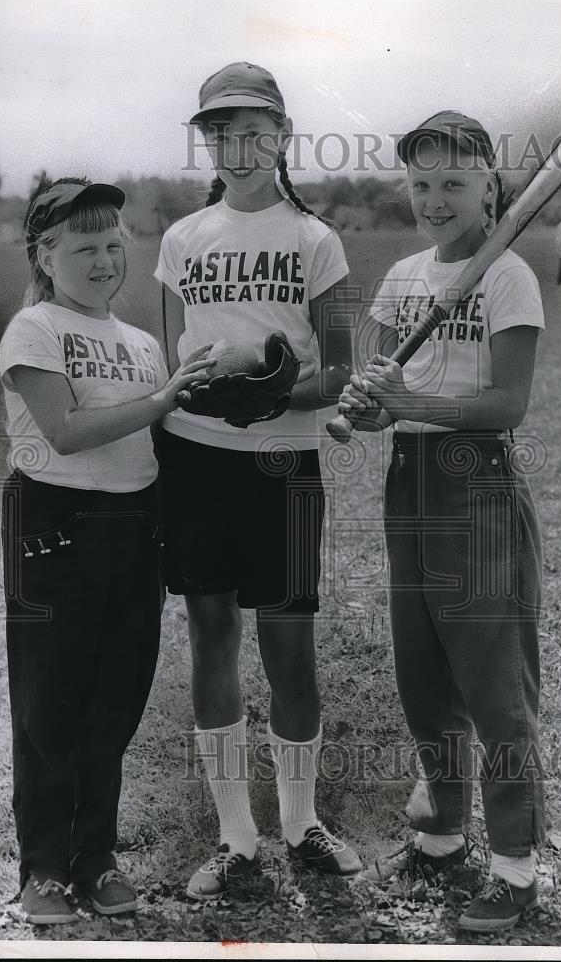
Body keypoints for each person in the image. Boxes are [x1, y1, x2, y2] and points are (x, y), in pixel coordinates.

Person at [154, 61, 362, 900]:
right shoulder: (179, 239)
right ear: (205, 141)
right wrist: (205, 390)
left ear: (280, 136)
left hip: (282, 461)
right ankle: (237, 839)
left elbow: (339, 371)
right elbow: (175, 359)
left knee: (289, 644)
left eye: (252, 130)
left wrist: (269, 388)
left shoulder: (316, 240)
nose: (235, 146)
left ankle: (301, 822)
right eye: (218, 131)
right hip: (195, 456)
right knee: (211, 634)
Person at [339, 112, 546, 932]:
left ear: (488, 186)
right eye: (420, 183)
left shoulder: (509, 277)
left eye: (453, 183)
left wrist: (406, 403)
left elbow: (507, 406)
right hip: (409, 485)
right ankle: (440, 838)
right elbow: (377, 391)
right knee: (422, 674)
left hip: (476, 485)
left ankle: (515, 866)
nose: (433, 199)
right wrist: (367, 406)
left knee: (493, 684)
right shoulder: (400, 278)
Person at [0, 177, 214, 925]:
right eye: (82, 246)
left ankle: (97, 858)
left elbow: (156, 445)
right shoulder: (35, 328)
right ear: (44, 253)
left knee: (114, 702)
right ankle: (45, 869)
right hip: (56, 526)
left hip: (133, 529)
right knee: (50, 703)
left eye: (112, 244)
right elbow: (63, 431)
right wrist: (162, 400)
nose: (101, 260)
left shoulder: (143, 343)